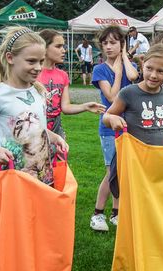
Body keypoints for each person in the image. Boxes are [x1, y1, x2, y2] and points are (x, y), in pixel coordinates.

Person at [0, 26, 68, 187]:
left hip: (45, 177)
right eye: (31, 61)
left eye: (41, 61)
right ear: (10, 58)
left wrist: (56, 138)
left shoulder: (38, 91)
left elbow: (37, 129)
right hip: (15, 180)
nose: (38, 68)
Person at [90, 25, 138, 232]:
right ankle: (98, 213)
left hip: (129, 127)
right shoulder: (100, 70)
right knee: (112, 172)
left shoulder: (129, 65)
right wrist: (117, 74)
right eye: (105, 43)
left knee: (123, 171)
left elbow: (134, 77)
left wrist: (125, 57)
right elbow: (112, 97)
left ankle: (116, 213)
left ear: (122, 44)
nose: (108, 47)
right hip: (110, 127)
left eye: (113, 42)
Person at [37, 29, 105, 140]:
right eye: (58, 46)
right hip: (36, 128)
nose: (64, 50)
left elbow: (66, 107)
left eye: (63, 46)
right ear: (44, 48)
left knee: (60, 158)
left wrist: (85, 106)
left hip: (56, 128)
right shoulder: (33, 74)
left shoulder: (63, 75)